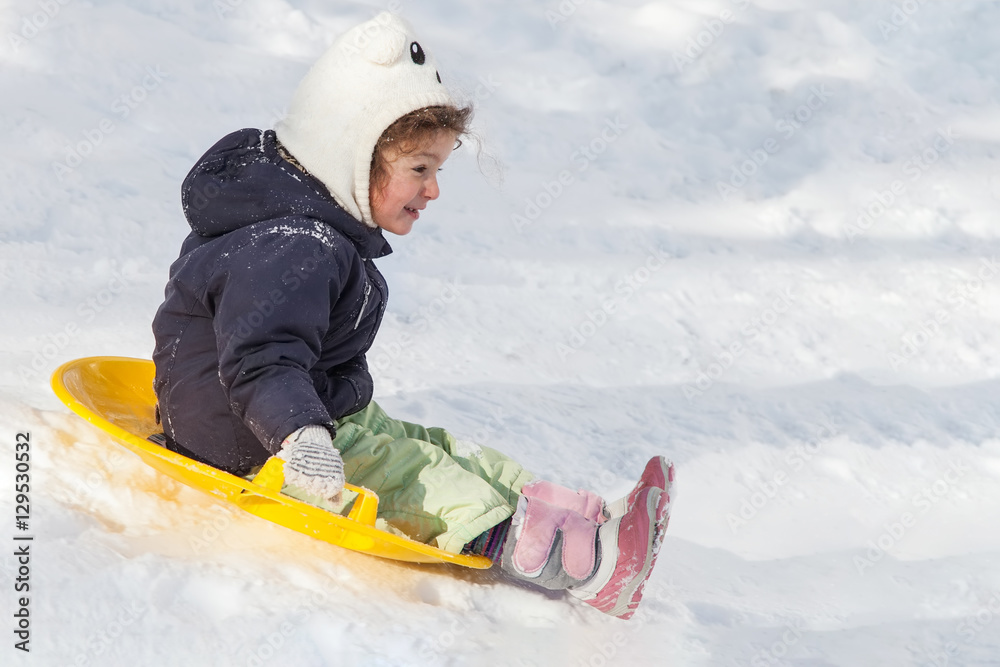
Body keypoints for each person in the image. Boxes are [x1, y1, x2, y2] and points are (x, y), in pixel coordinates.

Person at [151, 11, 673, 620]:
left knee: (441, 447)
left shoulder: (311, 228)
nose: (432, 190)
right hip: (257, 437)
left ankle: (581, 522)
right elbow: (263, 357)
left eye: (438, 171)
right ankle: (584, 566)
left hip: (301, 410)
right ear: (350, 152)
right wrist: (302, 434)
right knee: (417, 476)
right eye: (418, 169)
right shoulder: (295, 246)